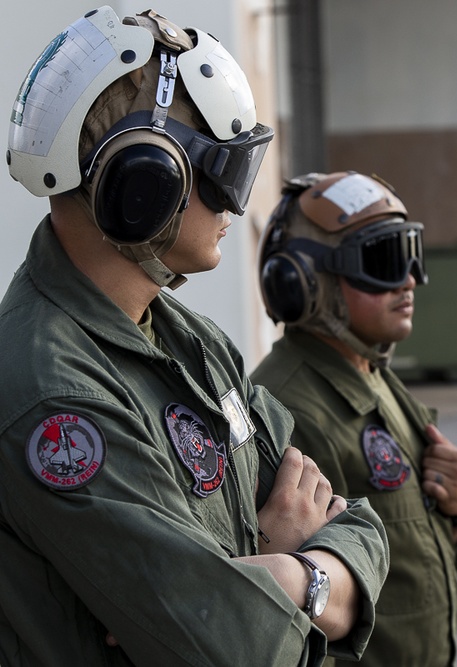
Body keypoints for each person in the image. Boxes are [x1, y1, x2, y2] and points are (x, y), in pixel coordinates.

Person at [0, 7, 388, 666]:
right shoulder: (52, 395)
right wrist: (302, 579)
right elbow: (224, 646)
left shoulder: (193, 343)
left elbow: (362, 524)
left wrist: (291, 577)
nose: (238, 204)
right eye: (225, 169)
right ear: (146, 179)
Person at [252, 171, 457, 666]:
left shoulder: (375, 375)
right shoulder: (286, 406)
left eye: (412, 256)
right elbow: (287, 604)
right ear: (305, 283)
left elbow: (410, 552)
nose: (409, 280)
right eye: (384, 261)